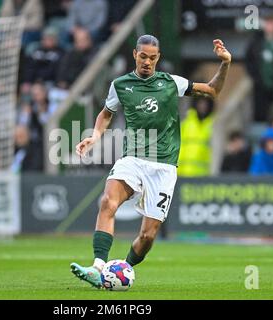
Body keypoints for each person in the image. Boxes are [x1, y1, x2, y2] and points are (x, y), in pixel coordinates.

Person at [70, 35, 231, 288]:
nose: (147, 62)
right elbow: (106, 113)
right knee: (107, 201)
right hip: (132, 159)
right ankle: (98, 267)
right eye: (143, 56)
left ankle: (121, 269)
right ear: (135, 54)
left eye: (152, 58)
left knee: (147, 236)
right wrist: (95, 135)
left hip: (163, 167)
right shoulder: (120, 85)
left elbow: (212, 90)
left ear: (159, 58)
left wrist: (224, 63)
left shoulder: (172, 83)